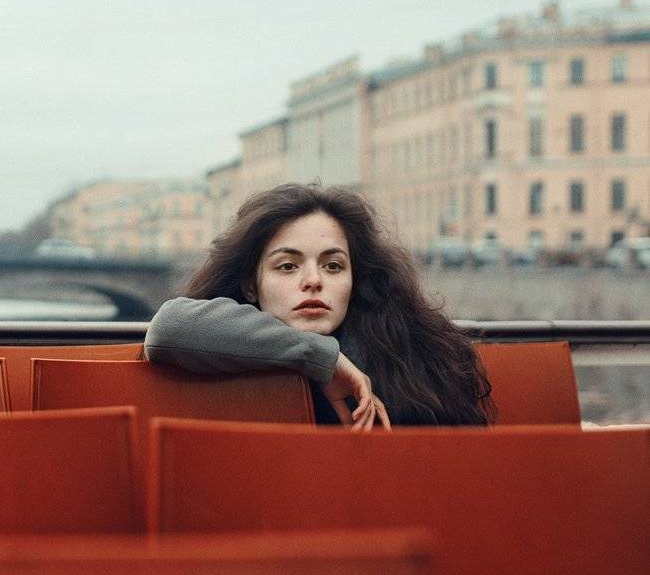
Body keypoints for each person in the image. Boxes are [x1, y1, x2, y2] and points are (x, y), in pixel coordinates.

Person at [144, 182, 494, 428]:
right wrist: (320, 356)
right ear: (252, 285)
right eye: (287, 266)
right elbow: (168, 328)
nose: (313, 280)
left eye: (333, 266)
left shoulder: (409, 362)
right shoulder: (220, 345)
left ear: (355, 280)